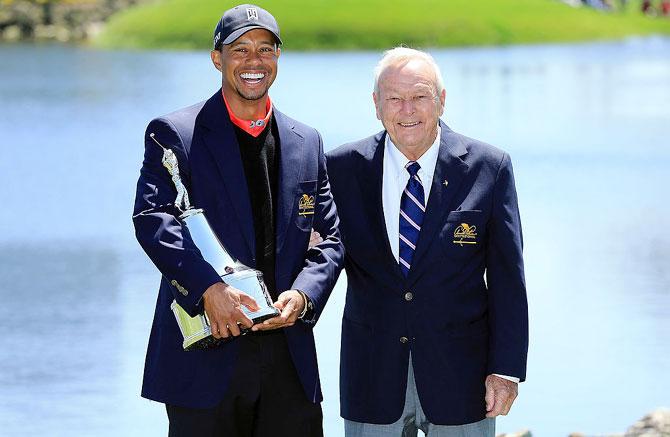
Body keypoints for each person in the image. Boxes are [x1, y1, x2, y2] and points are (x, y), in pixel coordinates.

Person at [132, 4, 343, 436]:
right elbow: (154, 219)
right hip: (208, 357)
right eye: (240, 49)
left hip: (288, 357)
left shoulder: (307, 142)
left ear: (278, 59)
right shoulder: (175, 133)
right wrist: (209, 288)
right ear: (217, 58)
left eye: (265, 50)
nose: (254, 61)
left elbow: (332, 237)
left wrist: (304, 296)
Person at [326, 47, 528, 436]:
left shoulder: (489, 167)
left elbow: (508, 279)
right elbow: (321, 256)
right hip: (372, 373)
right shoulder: (340, 168)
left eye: (419, 96)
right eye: (394, 99)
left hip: (463, 378)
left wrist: (505, 369)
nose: (407, 110)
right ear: (376, 104)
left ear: (441, 100)